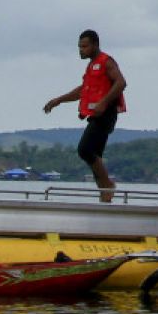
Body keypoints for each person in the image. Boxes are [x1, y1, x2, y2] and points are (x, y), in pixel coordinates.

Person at [43, 29, 128, 202]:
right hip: (96, 114)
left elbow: (121, 82)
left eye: (85, 46)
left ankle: (107, 185)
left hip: (105, 113)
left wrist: (103, 102)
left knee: (85, 150)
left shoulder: (106, 62)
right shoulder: (91, 66)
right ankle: (105, 196)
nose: (81, 50)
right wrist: (59, 100)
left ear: (95, 45)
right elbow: (83, 90)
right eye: (79, 47)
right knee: (94, 156)